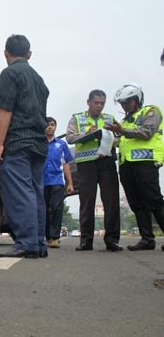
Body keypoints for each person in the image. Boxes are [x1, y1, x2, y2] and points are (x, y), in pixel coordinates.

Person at [0, 34, 50, 259]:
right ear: (29, 54)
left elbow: (5, 110)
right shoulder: (38, 79)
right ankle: (37, 243)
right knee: (35, 193)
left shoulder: (10, 73)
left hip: (17, 142)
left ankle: (26, 243)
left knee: (20, 194)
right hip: (38, 143)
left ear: (6, 53)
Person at [105, 84, 164, 251]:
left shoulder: (150, 111)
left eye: (128, 102)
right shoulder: (123, 122)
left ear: (137, 100)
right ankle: (147, 239)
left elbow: (147, 132)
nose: (125, 105)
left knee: (154, 200)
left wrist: (122, 131)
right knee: (136, 203)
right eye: (122, 103)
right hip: (127, 165)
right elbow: (121, 141)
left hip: (146, 162)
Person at [66, 90, 123, 252]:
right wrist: (87, 133)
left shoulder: (109, 119)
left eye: (102, 103)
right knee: (87, 201)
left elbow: (120, 137)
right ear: (88, 102)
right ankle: (86, 241)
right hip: (86, 164)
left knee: (111, 202)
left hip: (107, 162)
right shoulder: (77, 118)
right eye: (96, 102)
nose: (99, 106)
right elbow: (70, 138)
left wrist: (112, 138)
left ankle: (112, 240)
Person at [44, 117, 74, 248]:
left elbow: (66, 164)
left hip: (57, 181)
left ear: (55, 127)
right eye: (47, 125)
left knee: (56, 208)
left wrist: (70, 183)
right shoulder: (38, 144)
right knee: (43, 210)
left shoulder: (61, 144)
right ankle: (47, 236)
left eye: (52, 125)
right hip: (41, 182)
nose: (50, 127)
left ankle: (55, 237)